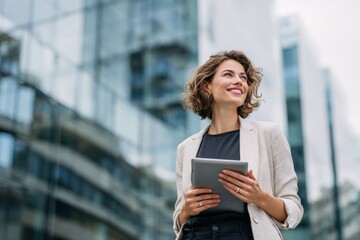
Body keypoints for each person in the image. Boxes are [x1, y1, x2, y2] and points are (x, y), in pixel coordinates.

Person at [173, 50, 303, 240]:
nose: (239, 81)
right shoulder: (186, 148)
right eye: (228, 74)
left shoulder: (268, 135)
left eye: (243, 77)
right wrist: (187, 209)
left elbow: (294, 210)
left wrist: (260, 197)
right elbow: (178, 219)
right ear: (207, 86)